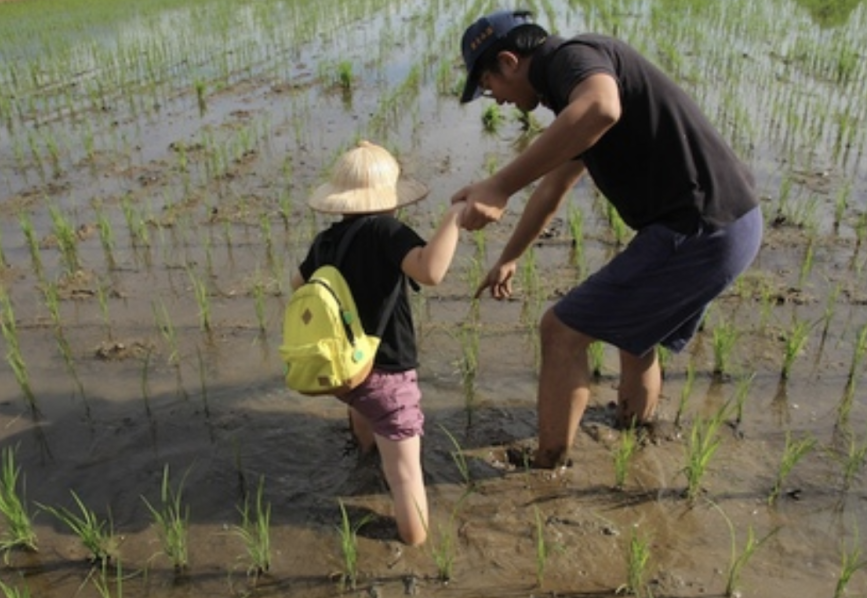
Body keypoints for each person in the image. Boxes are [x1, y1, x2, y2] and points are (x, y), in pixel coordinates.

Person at [453, 10, 763, 469]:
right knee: (635, 337)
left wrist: (498, 186)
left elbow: (602, 107)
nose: (493, 100)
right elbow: (554, 189)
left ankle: (548, 465)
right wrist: (509, 257)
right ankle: (635, 441)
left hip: (699, 228)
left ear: (507, 61)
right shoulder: (570, 92)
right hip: (729, 221)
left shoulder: (570, 60)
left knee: (559, 332)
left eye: (488, 85)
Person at [292, 140, 466, 545]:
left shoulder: (326, 242)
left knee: (365, 416)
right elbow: (430, 271)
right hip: (387, 371)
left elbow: (297, 285)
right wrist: (454, 218)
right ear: (390, 197)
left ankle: (366, 459)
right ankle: (415, 544)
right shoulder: (388, 231)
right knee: (406, 475)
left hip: (346, 370)